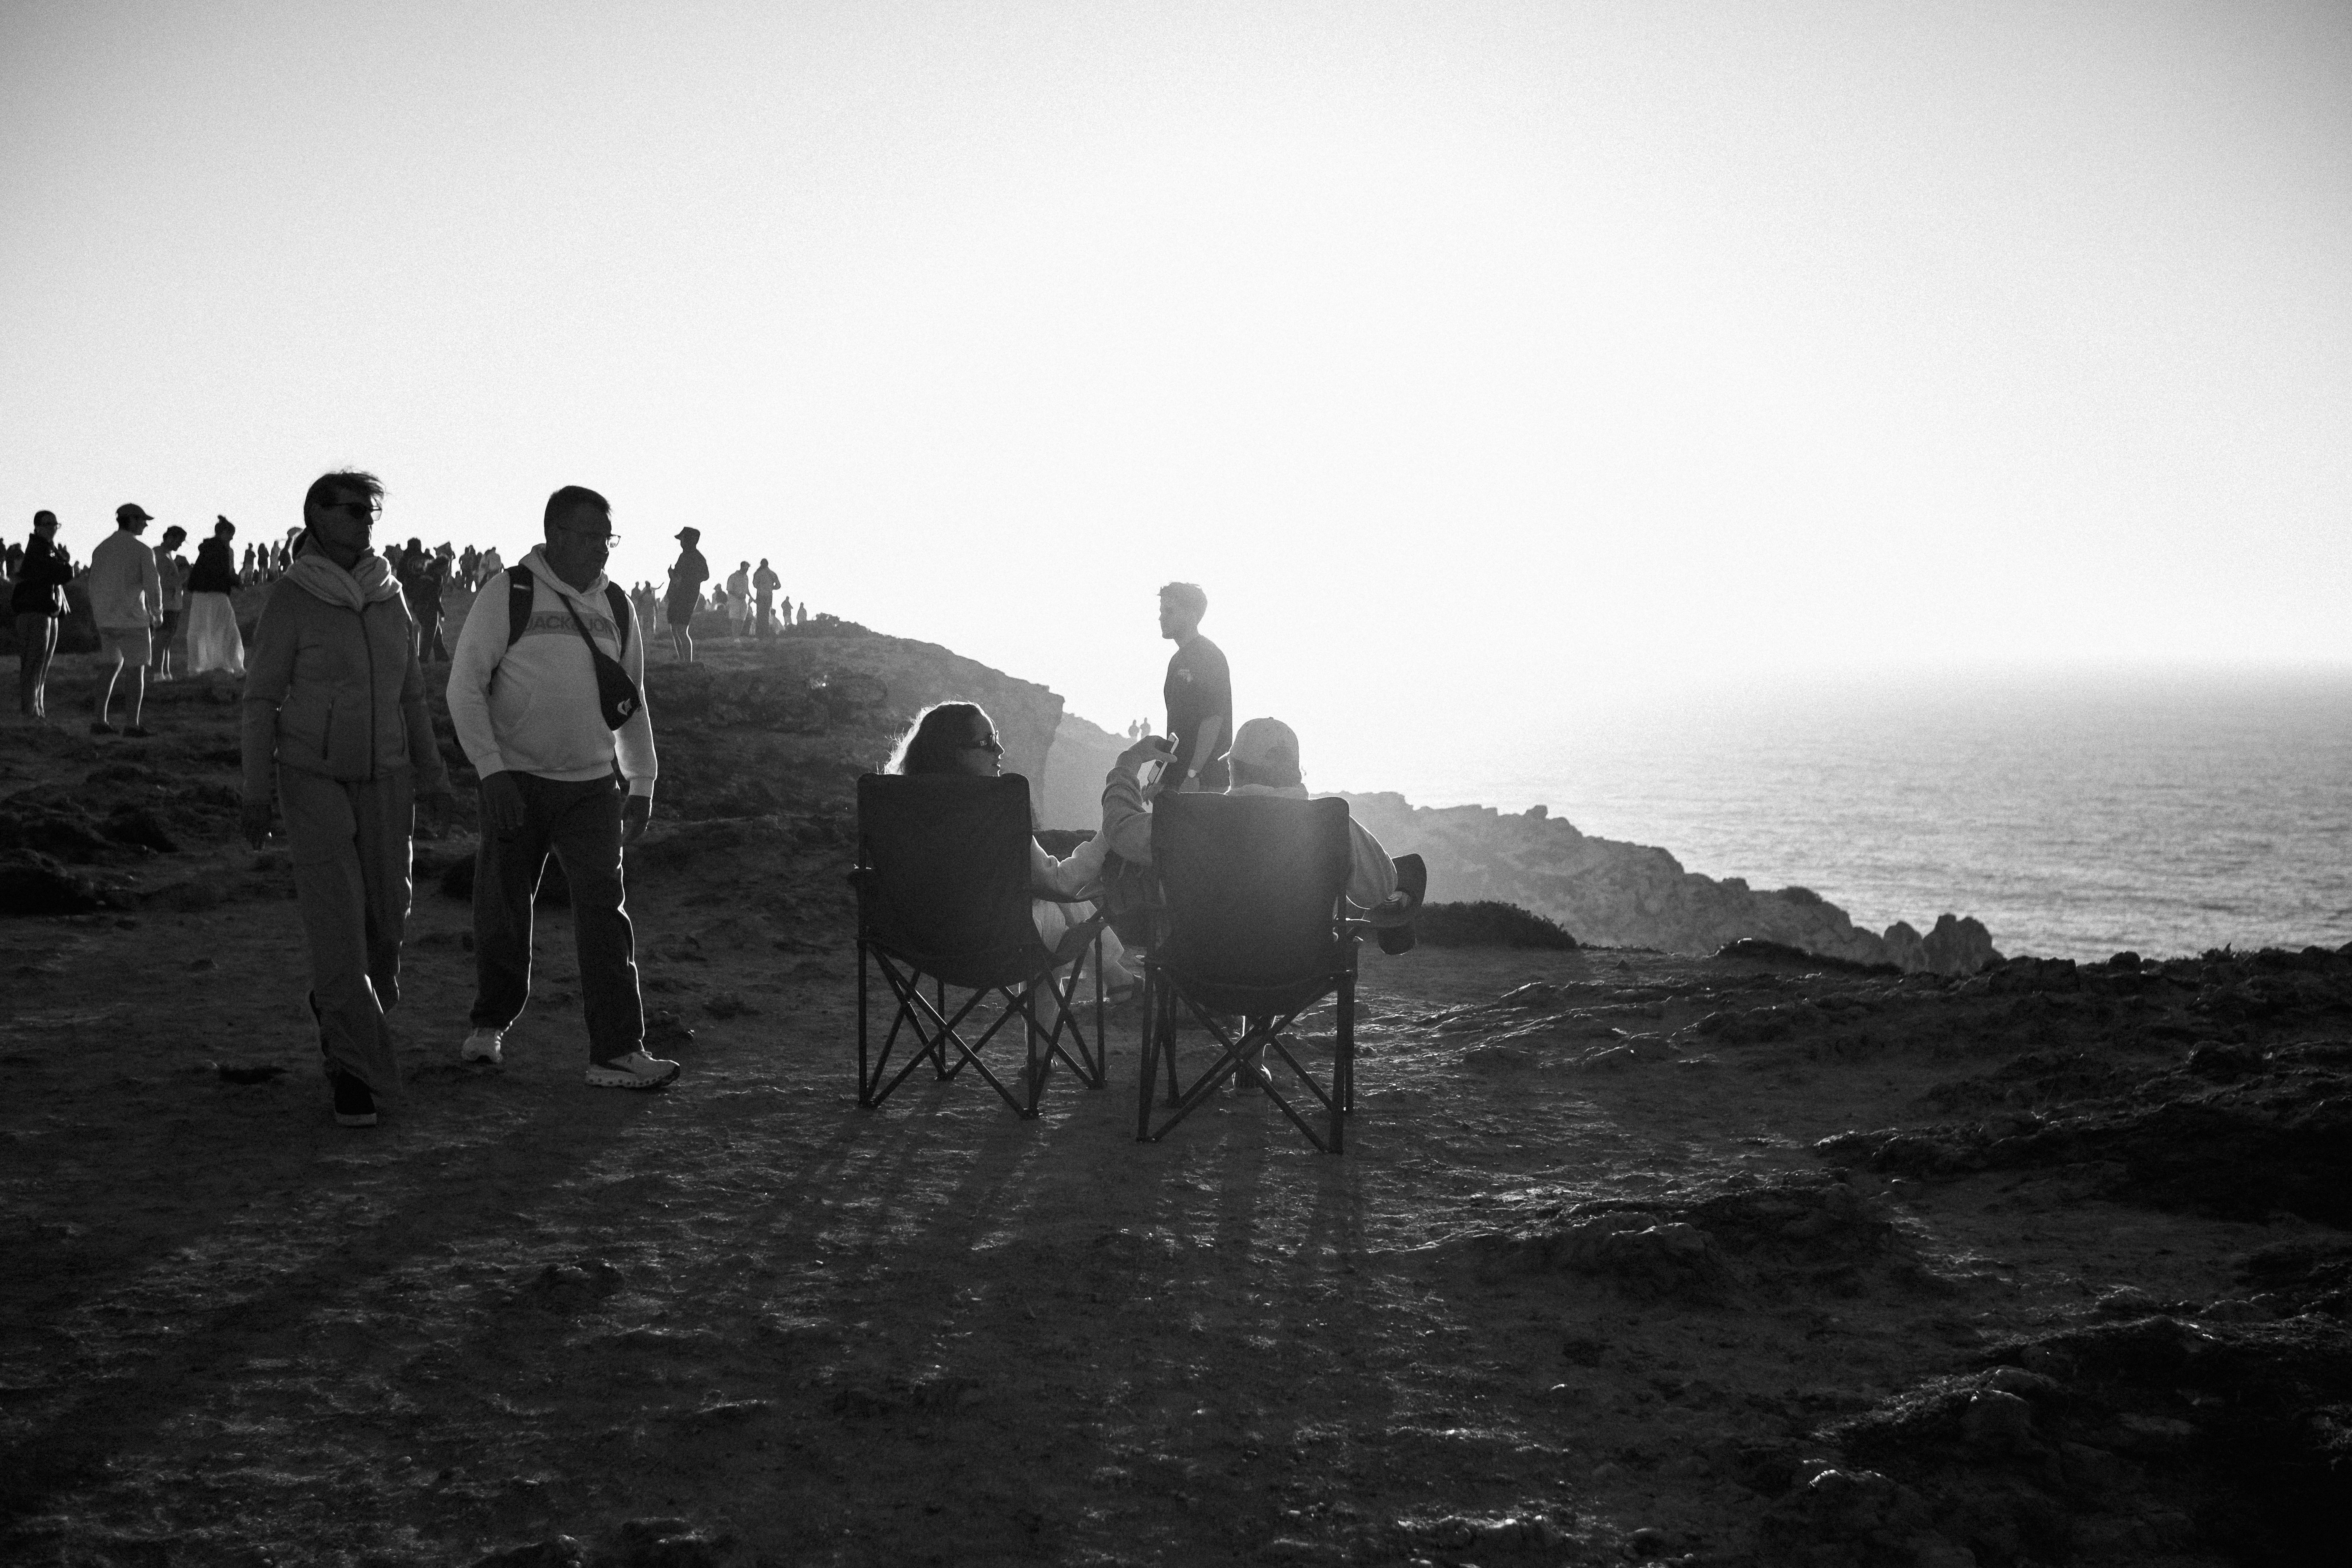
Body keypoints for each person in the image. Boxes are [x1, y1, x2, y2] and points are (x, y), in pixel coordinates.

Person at [241, 471, 452, 1130]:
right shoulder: (291, 598)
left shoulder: (389, 598)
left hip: (388, 781)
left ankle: (340, 1017)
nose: (367, 521)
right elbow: (259, 700)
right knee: (338, 929)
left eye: (373, 512)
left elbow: (411, 695)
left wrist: (434, 775)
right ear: (317, 515)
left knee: (387, 925)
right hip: (312, 778)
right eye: (356, 510)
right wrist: (255, 792)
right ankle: (353, 1075)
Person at [447, 484, 673, 1089]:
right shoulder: (509, 594)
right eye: (592, 535)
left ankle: (618, 1051)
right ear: (556, 535)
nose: (603, 548)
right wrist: (491, 769)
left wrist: (643, 778)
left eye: (609, 536)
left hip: (593, 786)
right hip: (515, 780)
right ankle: (489, 1025)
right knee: (503, 906)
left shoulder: (618, 607)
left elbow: (631, 700)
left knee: (604, 912)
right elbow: (464, 686)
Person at [887, 702, 1138, 992]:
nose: (1000, 750)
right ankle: (1099, 993)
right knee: (1050, 906)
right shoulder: (996, 807)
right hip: (991, 947)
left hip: (917, 942)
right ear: (956, 753)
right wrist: (1110, 834)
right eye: (988, 742)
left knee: (1041, 898)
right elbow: (1060, 884)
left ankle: (1119, 980)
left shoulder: (900, 806)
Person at [87, 504, 164, 737]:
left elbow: (93, 584)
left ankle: (100, 720)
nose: (145, 524)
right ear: (130, 520)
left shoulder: (101, 549)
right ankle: (132, 724)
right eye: (142, 520)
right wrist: (157, 612)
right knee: (135, 671)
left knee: (110, 666)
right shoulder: (141, 550)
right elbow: (153, 584)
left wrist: (99, 613)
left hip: (106, 619)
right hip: (132, 619)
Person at [1158, 582, 1231, 794]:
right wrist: (1163, 778)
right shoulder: (1176, 660)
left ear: (1191, 614)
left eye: (1169, 611)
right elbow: (1176, 728)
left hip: (1203, 781)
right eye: (1162, 611)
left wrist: (1193, 774)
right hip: (1179, 779)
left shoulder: (1210, 656)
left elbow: (1213, 719)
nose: (1162, 617)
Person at [12, 511, 73, 719]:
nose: (53, 528)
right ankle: (31, 712)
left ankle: (37, 710)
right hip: (37, 611)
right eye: (48, 525)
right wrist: (65, 562)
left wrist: (63, 562)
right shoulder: (39, 549)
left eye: (55, 525)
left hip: (45, 611)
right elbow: (63, 574)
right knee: (35, 664)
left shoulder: (47, 549)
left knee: (40, 665)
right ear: (37, 527)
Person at [183, 517, 247, 677]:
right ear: (224, 533)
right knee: (228, 628)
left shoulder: (208, 549)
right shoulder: (221, 549)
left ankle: (197, 667)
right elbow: (220, 573)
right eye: (231, 534)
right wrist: (236, 583)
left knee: (200, 629)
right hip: (217, 594)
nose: (232, 538)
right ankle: (234, 665)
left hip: (201, 594)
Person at [149, 525, 188, 680]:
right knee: (162, 638)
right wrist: (183, 576)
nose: (180, 545)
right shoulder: (159, 555)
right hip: (166, 604)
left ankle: (165, 672)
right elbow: (161, 582)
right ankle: (158, 673)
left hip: (173, 603)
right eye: (179, 541)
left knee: (167, 640)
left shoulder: (167, 555)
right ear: (170, 538)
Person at [664, 526, 708, 662]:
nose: (681, 542)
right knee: (675, 630)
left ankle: (687, 663)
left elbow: (705, 576)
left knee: (682, 630)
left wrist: (684, 579)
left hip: (687, 597)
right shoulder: (683, 556)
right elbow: (678, 577)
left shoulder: (697, 557)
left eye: (683, 539)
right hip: (677, 596)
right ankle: (682, 661)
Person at [752, 559, 779, 640]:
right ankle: (766, 634)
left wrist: (761, 588)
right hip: (769, 596)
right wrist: (771, 588)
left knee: (760, 615)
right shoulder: (772, 574)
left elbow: (755, 584)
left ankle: (759, 635)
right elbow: (779, 585)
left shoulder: (758, 573)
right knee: (767, 615)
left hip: (761, 595)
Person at [725, 561, 751, 638]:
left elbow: (747, 589)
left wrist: (752, 597)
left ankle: (738, 636)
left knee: (742, 619)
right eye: (746, 567)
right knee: (735, 619)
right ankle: (735, 636)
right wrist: (737, 595)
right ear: (743, 567)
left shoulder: (746, 577)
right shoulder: (733, 577)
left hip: (743, 600)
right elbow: (729, 589)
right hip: (734, 600)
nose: (747, 570)